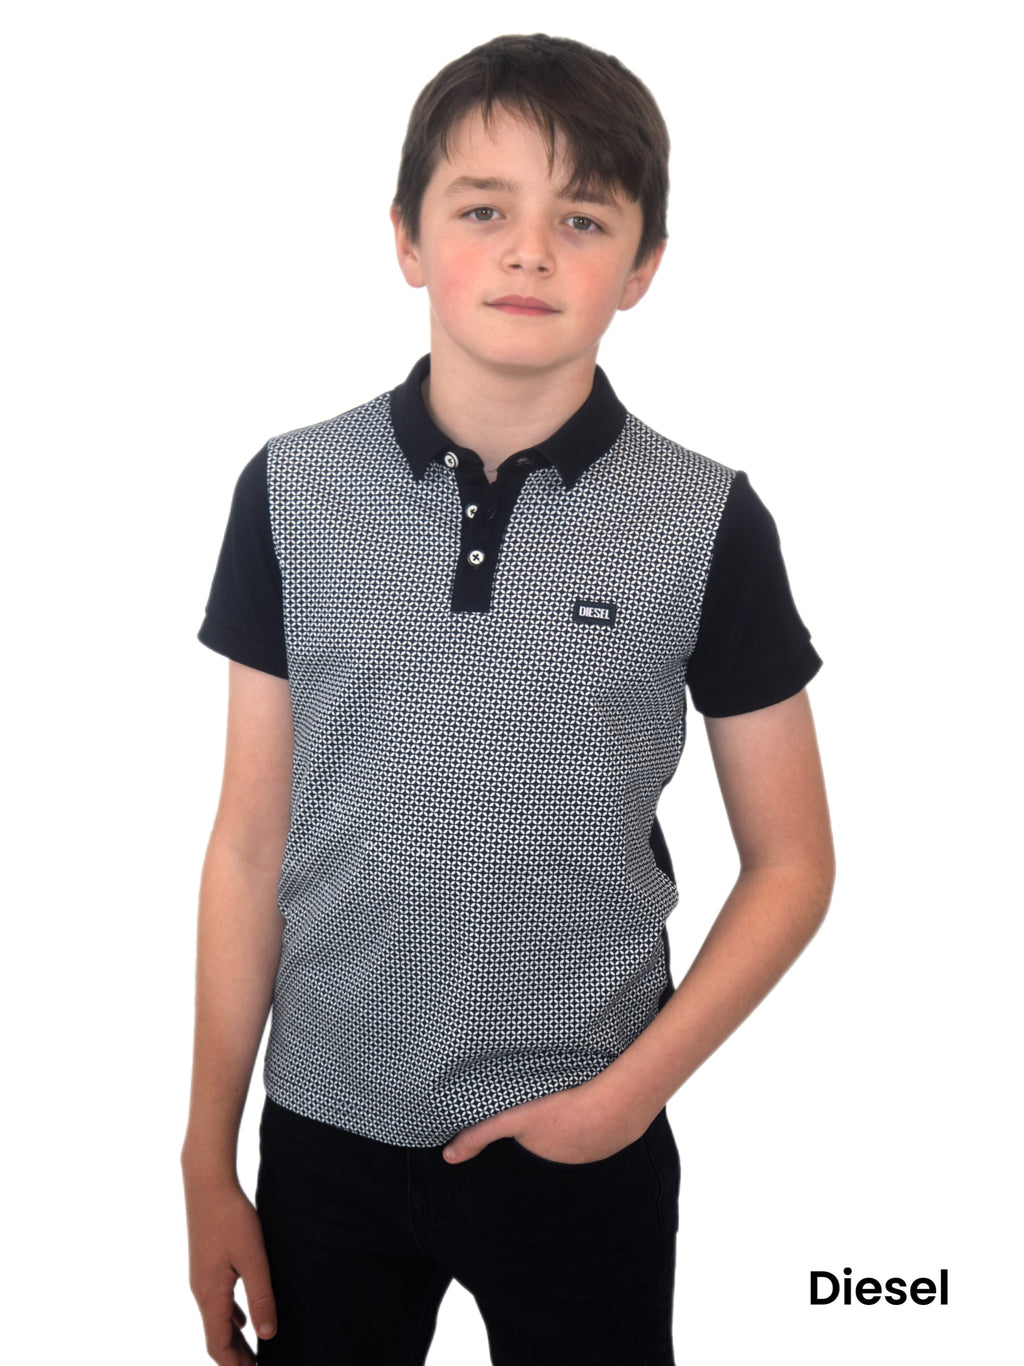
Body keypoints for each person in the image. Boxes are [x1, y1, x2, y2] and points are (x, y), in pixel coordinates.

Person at [181, 32, 835, 1366]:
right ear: (408, 240)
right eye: (484, 209)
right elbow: (250, 843)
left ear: (641, 266)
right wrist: (207, 1150)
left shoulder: (707, 519)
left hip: (583, 1137)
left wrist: (623, 1102)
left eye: (581, 218)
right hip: (326, 1132)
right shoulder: (293, 490)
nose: (529, 252)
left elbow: (794, 862)